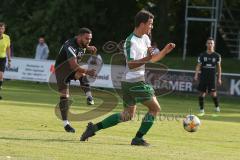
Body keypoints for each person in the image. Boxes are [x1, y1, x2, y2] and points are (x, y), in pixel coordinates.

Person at [80, 10, 175, 146]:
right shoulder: (130, 42)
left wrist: (165, 50)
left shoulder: (146, 39)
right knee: (155, 109)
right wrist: (148, 57)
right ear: (142, 24)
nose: (151, 27)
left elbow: (152, 59)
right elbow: (131, 64)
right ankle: (138, 138)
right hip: (134, 82)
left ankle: (93, 128)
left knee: (128, 115)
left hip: (130, 82)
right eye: (150, 24)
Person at [54, 27, 96, 133]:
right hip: (61, 70)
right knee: (65, 97)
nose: (88, 41)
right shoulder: (70, 46)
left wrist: (89, 48)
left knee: (81, 73)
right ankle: (66, 124)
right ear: (79, 37)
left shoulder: (82, 44)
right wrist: (88, 72)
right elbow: (74, 65)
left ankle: (89, 97)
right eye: (87, 39)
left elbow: (79, 61)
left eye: (90, 39)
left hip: (71, 69)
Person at [194, 37, 222, 116]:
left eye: (211, 43)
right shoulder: (202, 55)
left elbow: (219, 68)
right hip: (203, 77)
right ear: (206, 44)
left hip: (212, 77)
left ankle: (217, 108)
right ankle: (201, 110)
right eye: (208, 43)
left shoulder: (217, 55)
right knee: (201, 93)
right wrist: (196, 75)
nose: (210, 44)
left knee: (213, 94)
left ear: (213, 45)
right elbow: (198, 66)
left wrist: (219, 78)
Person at [0, 22, 11, 100]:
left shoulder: (7, 37)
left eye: (2, 28)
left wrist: (9, 60)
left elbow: (8, 49)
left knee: (1, 75)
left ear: (4, 29)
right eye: (0, 28)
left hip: (2, 59)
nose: (0, 30)